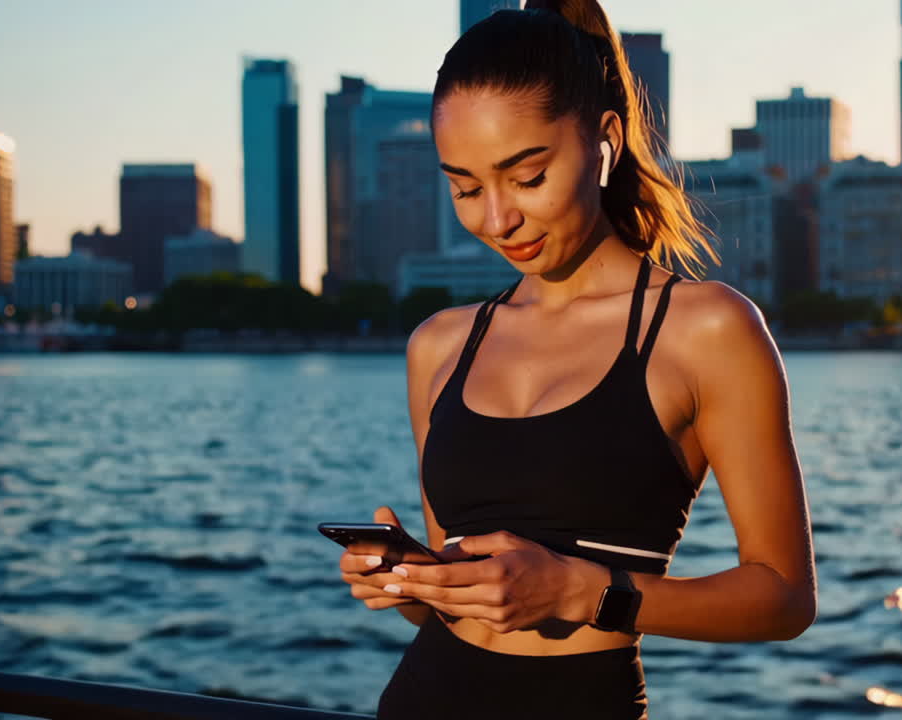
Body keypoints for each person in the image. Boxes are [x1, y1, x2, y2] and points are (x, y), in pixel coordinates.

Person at [338, 1, 816, 717]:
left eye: (528, 177)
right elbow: (460, 606)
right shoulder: (439, 344)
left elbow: (783, 597)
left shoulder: (705, 329)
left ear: (605, 142)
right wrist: (413, 579)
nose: (496, 219)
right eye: (465, 187)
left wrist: (582, 592)